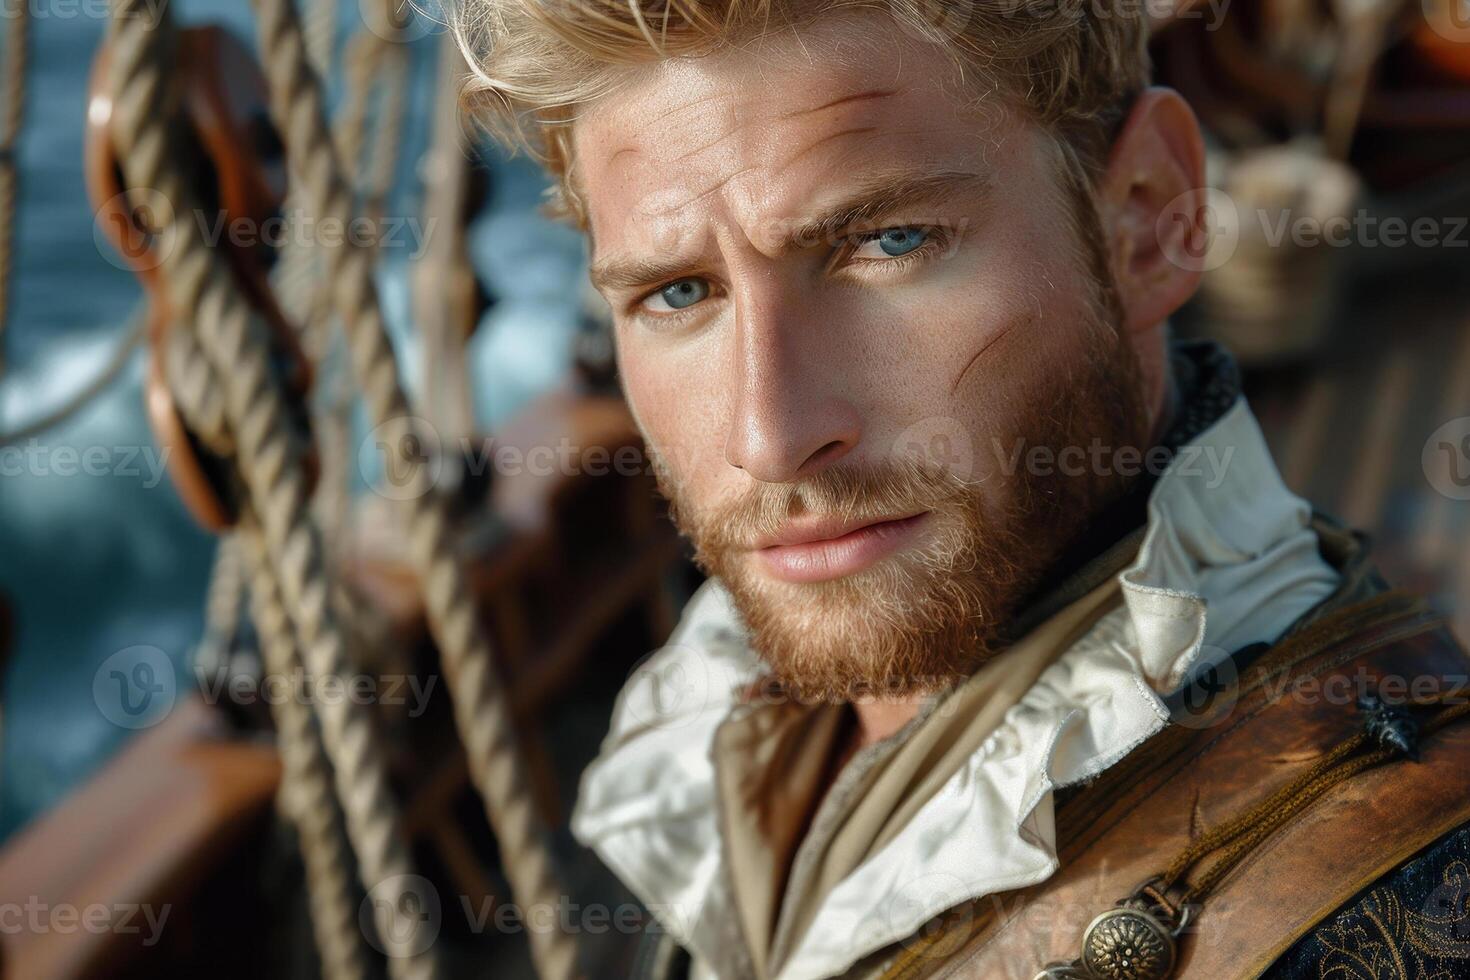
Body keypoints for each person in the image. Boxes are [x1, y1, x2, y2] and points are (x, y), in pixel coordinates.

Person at [451, 2, 1470, 977]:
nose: (772, 436)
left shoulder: (1410, 898)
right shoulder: (715, 711)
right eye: (679, 292)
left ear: (1150, 220)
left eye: (889, 242)